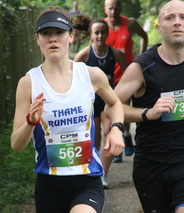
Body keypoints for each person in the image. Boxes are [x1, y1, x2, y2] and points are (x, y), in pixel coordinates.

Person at [11, 6, 125, 213]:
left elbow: (115, 103)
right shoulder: (28, 83)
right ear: (37, 39)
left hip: (86, 181)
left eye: (59, 32)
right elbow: (17, 145)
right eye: (46, 33)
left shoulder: (91, 75)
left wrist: (116, 128)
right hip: (48, 185)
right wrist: (31, 121)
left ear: (71, 36)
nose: (53, 39)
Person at [112, 0, 184, 212]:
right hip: (152, 165)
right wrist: (148, 113)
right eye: (169, 18)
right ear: (159, 27)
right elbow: (112, 106)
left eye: (183, 18)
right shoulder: (142, 67)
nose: (177, 23)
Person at [73, 15, 128, 188]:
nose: (100, 36)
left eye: (103, 32)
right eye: (96, 33)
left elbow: (128, 74)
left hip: (107, 102)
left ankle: (103, 174)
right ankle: (92, 172)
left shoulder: (116, 53)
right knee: (94, 141)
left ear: (107, 33)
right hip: (90, 103)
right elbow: (70, 76)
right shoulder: (85, 54)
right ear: (90, 34)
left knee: (108, 133)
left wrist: (121, 91)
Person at [103, 0, 148, 162]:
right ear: (105, 10)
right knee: (109, 113)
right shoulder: (101, 27)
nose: (113, 12)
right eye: (110, 9)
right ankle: (119, 144)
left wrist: (141, 58)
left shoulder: (130, 23)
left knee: (121, 109)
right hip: (107, 76)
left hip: (126, 74)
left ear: (120, 9)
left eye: (116, 8)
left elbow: (144, 36)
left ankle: (126, 136)